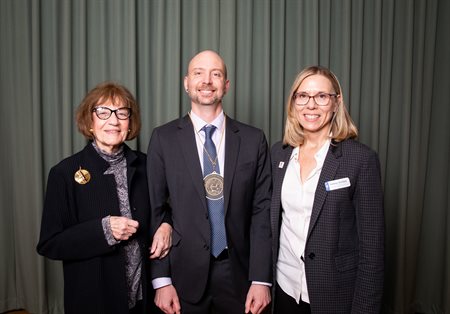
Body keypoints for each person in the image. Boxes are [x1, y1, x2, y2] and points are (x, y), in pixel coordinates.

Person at [147, 50, 272, 314]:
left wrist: (261, 278)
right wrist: (161, 280)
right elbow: (155, 210)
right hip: (183, 275)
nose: (207, 81)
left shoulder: (253, 140)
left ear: (226, 85)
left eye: (216, 74)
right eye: (198, 73)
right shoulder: (163, 139)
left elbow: (262, 212)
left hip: (239, 275)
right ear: (186, 83)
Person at [37, 81, 172, 314]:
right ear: (90, 122)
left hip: (145, 299)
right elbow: (51, 244)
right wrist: (104, 230)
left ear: (130, 123)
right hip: (93, 300)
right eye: (103, 112)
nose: (113, 120)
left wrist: (167, 225)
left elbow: (166, 208)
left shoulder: (147, 165)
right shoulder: (64, 173)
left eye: (122, 113)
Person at [270, 66, 384, 313]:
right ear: (293, 103)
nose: (311, 105)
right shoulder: (278, 153)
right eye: (303, 96)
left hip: (333, 295)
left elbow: (372, 252)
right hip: (284, 288)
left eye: (321, 96)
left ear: (336, 103)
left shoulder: (360, 160)